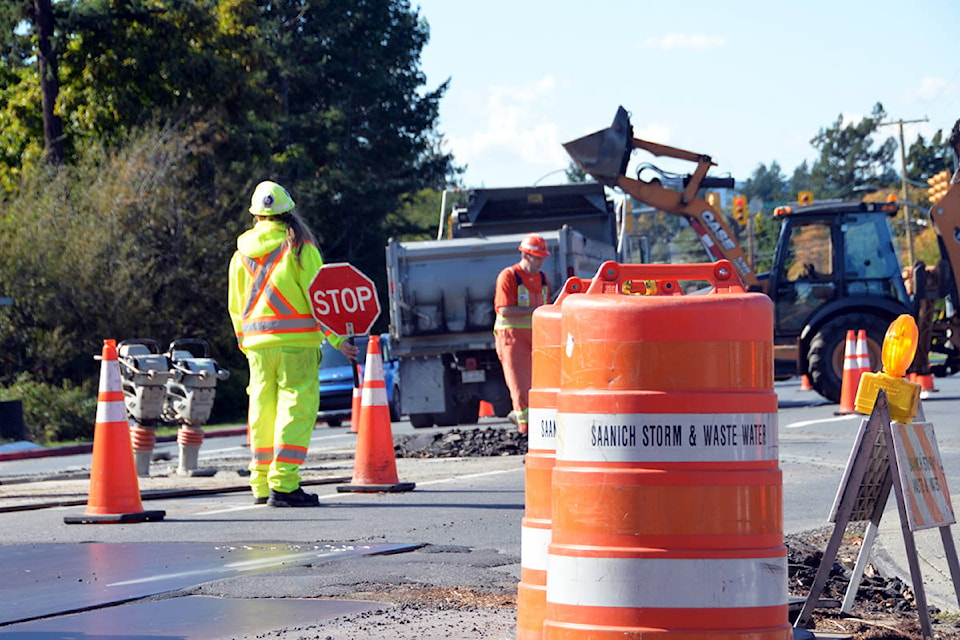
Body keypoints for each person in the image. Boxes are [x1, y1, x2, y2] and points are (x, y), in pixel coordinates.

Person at [228, 180, 357, 507]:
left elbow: (235, 306)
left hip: (257, 346)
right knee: (295, 409)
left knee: (262, 411)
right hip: (297, 344)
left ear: (256, 215)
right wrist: (338, 339)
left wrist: (245, 342)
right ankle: (284, 484)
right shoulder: (300, 248)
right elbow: (321, 299)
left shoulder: (239, 255)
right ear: (289, 213)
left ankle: (260, 484)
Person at [493, 233, 551, 434]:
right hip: (512, 339)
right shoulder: (509, 276)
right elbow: (504, 310)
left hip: (537, 338)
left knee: (539, 383)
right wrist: (536, 311)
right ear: (526, 256)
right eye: (538, 258)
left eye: (542, 258)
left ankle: (535, 427)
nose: (541, 262)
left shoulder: (542, 279)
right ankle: (525, 430)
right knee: (519, 385)